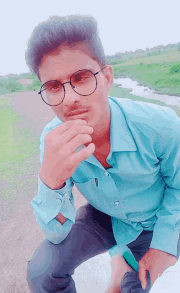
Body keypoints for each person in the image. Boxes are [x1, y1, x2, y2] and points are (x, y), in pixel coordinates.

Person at [25, 14, 180, 293]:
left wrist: (163, 247)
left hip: (160, 216)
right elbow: (56, 233)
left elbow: (179, 187)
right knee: (42, 272)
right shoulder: (53, 141)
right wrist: (51, 181)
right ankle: (119, 256)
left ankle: (122, 262)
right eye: (53, 86)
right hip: (106, 216)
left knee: (133, 286)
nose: (69, 98)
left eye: (81, 78)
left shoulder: (160, 125)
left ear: (107, 77)